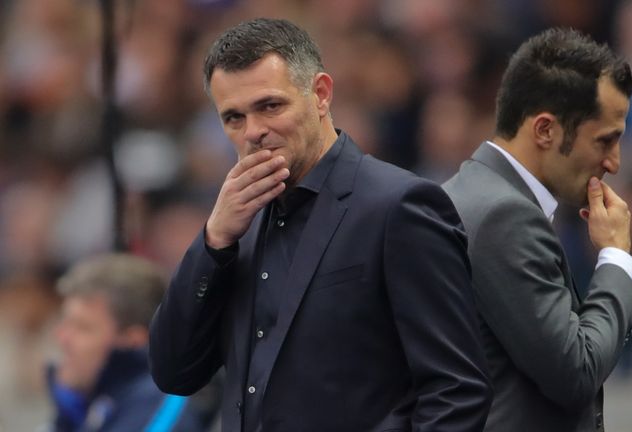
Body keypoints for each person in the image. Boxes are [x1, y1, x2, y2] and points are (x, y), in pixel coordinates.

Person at [148, 18, 492, 432]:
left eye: (270, 106)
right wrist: (213, 241)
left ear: (321, 94)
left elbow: (457, 390)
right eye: (234, 117)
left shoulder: (399, 205)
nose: (254, 131)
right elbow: (174, 371)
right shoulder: (237, 224)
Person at [443, 28, 632, 431]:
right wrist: (616, 259)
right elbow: (576, 371)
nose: (615, 163)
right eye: (605, 141)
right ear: (545, 130)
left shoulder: (475, 192)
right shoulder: (503, 215)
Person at [46, 254, 215, 432]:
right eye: (65, 322)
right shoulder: (92, 404)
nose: (63, 338)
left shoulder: (160, 405)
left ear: (133, 341)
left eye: (83, 328)